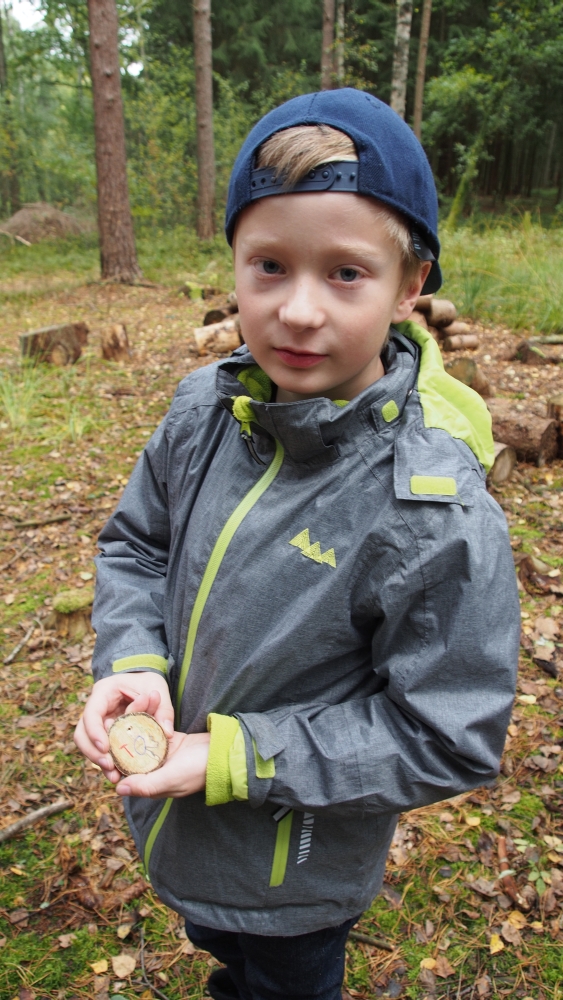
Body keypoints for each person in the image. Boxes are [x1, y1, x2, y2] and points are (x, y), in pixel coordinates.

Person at [75, 89, 519, 1000]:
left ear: (411, 284)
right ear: (231, 267)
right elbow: (136, 547)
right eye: (269, 266)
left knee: (281, 976)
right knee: (221, 950)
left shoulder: (429, 508)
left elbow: (447, 732)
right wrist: (134, 658)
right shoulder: (203, 412)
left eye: (346, 273)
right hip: (182, 829)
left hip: (296, 874)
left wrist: (234, 758)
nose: (300, 311)